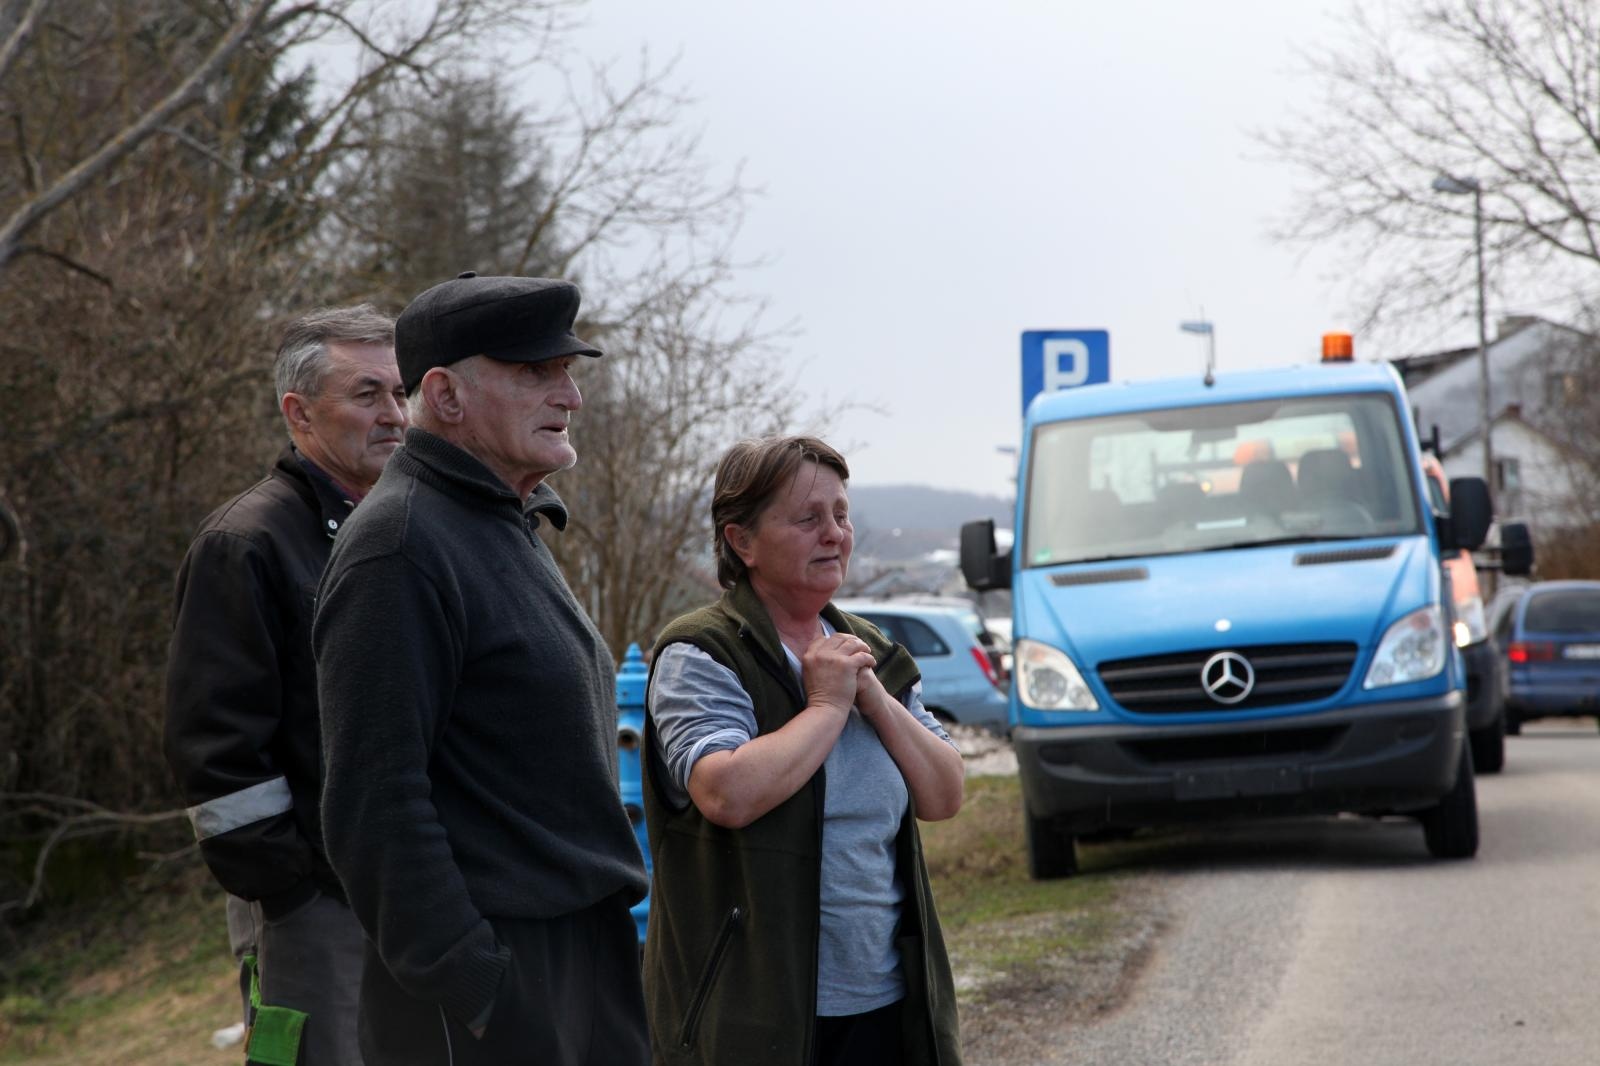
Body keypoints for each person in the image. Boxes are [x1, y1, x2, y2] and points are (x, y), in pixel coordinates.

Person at [313, 272, 650, 1066]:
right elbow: (374, 807)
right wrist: (478, 989)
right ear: (446, 395)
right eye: (535, 372)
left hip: (578, 960)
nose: (569, 395)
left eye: (568, 371)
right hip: (490, 989)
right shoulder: (398, 547)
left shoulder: (499, 520)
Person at [643, 435, 966, 1066]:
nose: (835, 534)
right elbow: (725, 792)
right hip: (753, 1015)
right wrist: (824, 708)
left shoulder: (867, 648)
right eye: (808, 519)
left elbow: (945, 793)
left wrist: (872, 696)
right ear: (742, 541)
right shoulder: (701, 653)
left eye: (841, 515)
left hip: (887, 1003)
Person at [164, 304, 406, 1065]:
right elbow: (218, 753)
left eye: (402, 393)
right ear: (298, 411)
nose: (395, 416)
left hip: (424, 898)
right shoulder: (245, 545)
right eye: (367, 395)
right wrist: (292, 893)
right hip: (315, 912)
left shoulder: (413, 529)